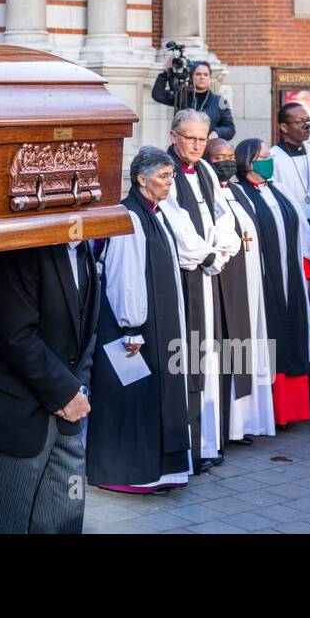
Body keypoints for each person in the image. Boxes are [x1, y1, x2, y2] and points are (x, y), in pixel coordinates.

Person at [0, 233, 97, 533]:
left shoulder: (84, 246)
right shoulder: (19, 245)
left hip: (68, 416)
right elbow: (14, 335)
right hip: (17, 415)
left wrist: (80, 390)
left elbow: (87, 332)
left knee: (64, 518)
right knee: (5, 523)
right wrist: (65, 393)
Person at [87, 146, 191, 493]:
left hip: (155, 325)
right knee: (133, 398)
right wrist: (131, 327)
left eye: (171, 175)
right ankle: (127, 473)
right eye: (163, 176)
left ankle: (160, 471)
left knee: (152, 398)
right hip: (134, 328)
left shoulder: (154, 213)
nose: (169, 182)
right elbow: (124, 273)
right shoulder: (130, 216)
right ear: (141, 180)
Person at [159, 109, 238, 469]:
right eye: (189, 137)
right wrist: (205, 255)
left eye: (202, 139)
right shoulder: (164, 171)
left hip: (211, 272)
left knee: (212, 359)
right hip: (186, 276)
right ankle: (190, 446)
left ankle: (210, 442)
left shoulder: (205, 169)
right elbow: (173, 220)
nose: (195, 145)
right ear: (174, 136)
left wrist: (222, 250)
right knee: (189, 361)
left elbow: (224, 214)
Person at [230, 139, 310, 427]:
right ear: (246, 161)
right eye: (262, 157)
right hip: (261, 279)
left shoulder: (280, 190)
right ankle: (269, 412)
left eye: (269, 156)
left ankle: (292, 409)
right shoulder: (237, 194)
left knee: (292, 334)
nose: (269, 161)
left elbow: (302, 229)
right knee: (269, 337)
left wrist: (306, 261)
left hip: (291, 276)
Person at [207, 137, 276, 443]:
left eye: (230, 155)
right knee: (229, 352)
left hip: (251, 282)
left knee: (251, 346)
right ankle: (229, 425)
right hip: (227, 281)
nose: (226, 162)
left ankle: (247, 421)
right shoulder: (205, 194)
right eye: (219, 157)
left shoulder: (238, 191)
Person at [270, 101, 310, 228]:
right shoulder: (273, 157)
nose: (307, 126)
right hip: (291, 226)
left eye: (308, 120)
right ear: (284, 127)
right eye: (300, 121)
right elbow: (275, 200)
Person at [150, 58, 235, 140]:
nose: (202, 77)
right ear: (192, 77)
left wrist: (217, 132)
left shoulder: (220, 101)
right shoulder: (183, 95)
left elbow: (230, 129)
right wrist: (166, 73)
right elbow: (158, 94)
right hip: (183, 147)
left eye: (206, 75)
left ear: (209, 78)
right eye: (198, 74)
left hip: (208, 148)